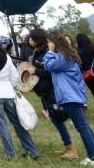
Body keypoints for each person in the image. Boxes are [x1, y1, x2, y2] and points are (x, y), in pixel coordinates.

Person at [43, 34, 94, 167]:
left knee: (82, 127)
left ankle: (92, 159)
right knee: (85, 126)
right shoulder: (68, 57)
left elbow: (49, 66)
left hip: (69, 97)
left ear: (56, 44)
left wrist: (50, 52)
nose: (48, 45)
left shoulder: (63, 58)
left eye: (49, 43)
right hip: (74, 96)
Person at [27, 28, 76, 159]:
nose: (29, 40)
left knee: (59, 117)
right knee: (55, 119)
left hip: (51, 90)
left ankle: (71, 149)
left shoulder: (48, 52)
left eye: (32, 38)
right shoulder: (37, 52)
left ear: (38, 39)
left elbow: (50, 72)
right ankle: (68, 146)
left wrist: (35, 72)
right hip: (43, 91)